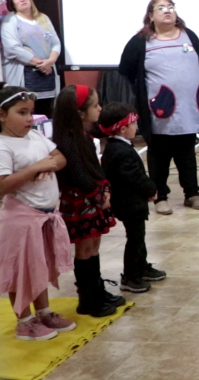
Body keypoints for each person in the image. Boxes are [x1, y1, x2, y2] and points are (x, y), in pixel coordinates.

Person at [0, 84, 76, 341]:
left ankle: (44, 312)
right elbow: (1, 185)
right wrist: (36, 168)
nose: (29, 118)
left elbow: (60, 158)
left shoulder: (36, 137)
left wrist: (48, 165)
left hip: (42, 218)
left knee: (39, 267)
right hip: (20, 221)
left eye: (30, 112)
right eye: (22, 112)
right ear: (1, 115)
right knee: (20, 272)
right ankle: (24, 321)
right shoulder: (1, 148)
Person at [119, 0, 199, 214]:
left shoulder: (190, 36)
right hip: (159, 109)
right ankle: (160, 196)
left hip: (188, 108)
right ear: (151, 15)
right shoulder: (141, 41)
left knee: (187, 152)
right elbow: (126, 70)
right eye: (161, 8)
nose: (167, 11)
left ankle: (192, 194)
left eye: (171, 7)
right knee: (159, 154)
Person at [52, 85, 125, 316]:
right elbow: (78, 173)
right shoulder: (69, 139)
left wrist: (104, 190)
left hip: (92, 197)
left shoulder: (84, 135)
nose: (100, 109)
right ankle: (87, 298)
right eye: (95, 105)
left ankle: (97, 290)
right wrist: (97, 197)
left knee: (94, 246)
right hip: (80, 200)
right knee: (84, 248)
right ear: (79, 112)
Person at [99, 102, 167, 293]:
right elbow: (135, 176)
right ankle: (131, 276)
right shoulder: (120, 151)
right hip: (129, 203)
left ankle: (141, 266)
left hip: (131, 202)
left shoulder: (116, 146)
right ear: (123, 128)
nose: (136, 126)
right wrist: (151, 190)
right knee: (135, 239)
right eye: (134, 123)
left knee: (138, 238)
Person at [0, 0, 61, 117]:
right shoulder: (10, 21)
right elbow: (13, 48)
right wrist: (41, 64)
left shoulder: (43, 18)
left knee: (46, 114)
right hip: (26, 75)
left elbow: (56, 43)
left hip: (47, 75)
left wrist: (50, 61)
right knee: (27, 112)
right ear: (12, 3)